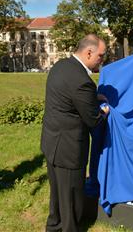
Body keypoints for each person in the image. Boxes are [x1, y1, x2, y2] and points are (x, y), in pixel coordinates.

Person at [40, 34, 110, 231]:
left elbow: (68, 95)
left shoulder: (61, 66)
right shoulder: (82, 80)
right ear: (89, 52)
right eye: (101, 56)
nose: (102, 60)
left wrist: (92, 96)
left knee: (58, 194)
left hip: (52, 142)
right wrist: (103, 110)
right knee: (71, 198)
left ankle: (54, 225)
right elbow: (93, 120)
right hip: (68, 149)